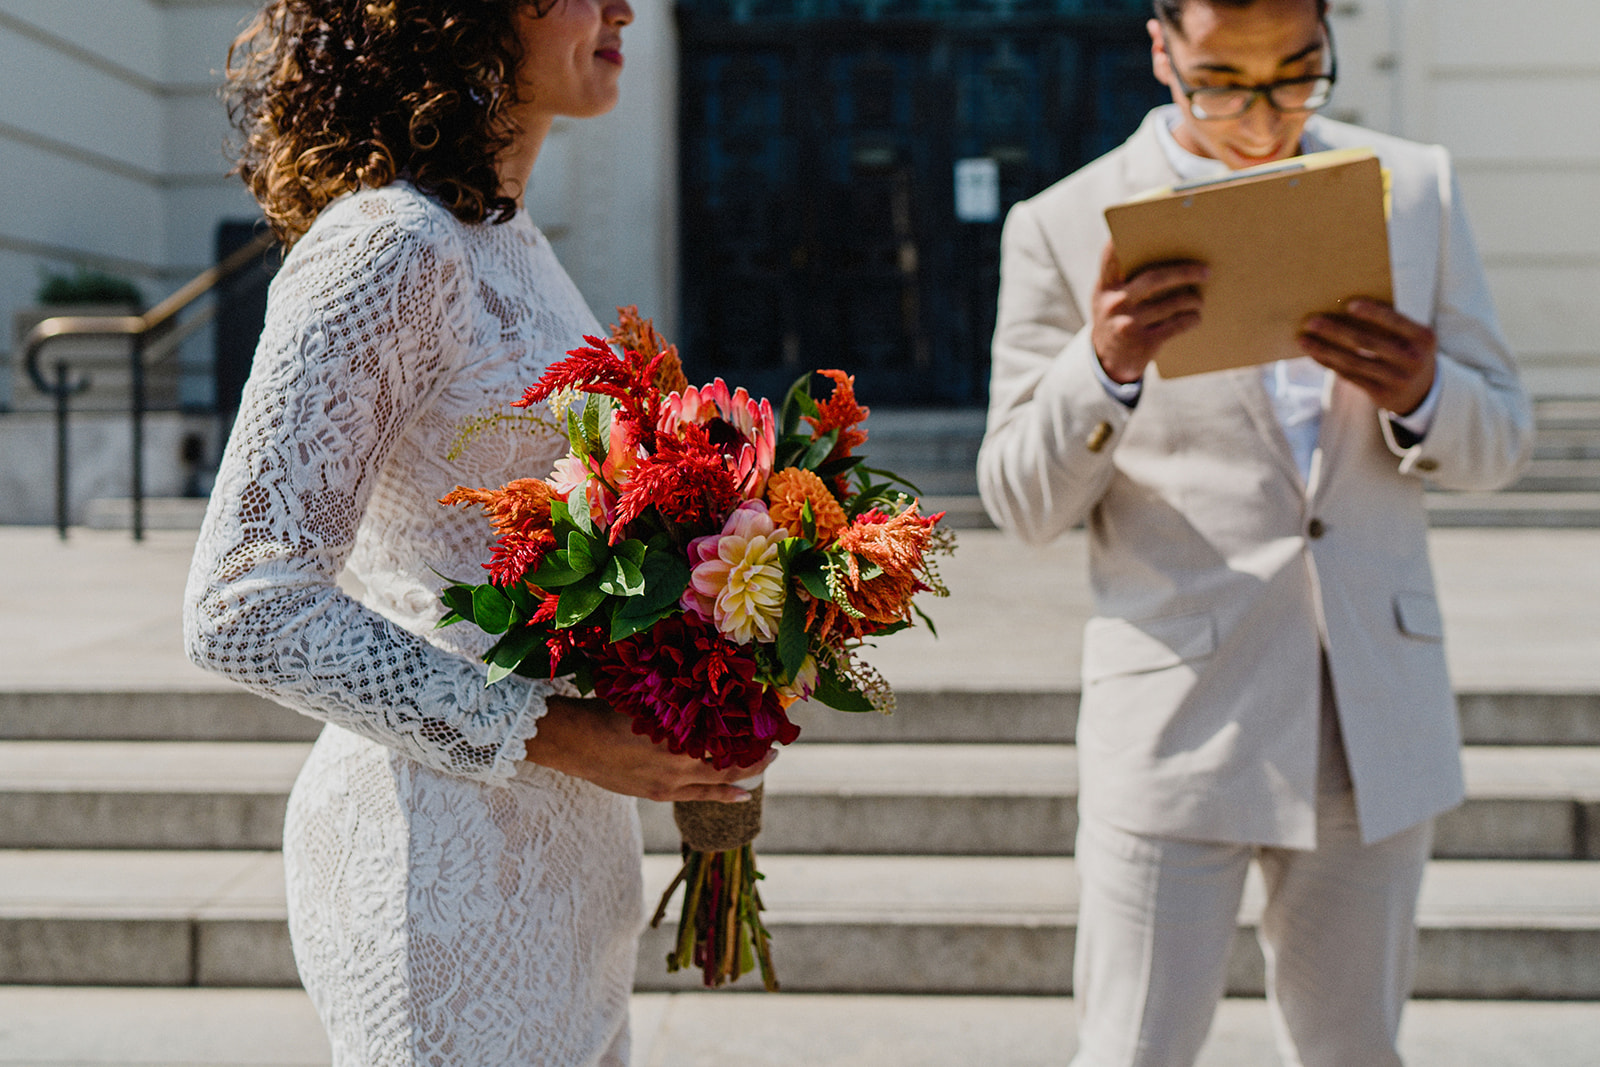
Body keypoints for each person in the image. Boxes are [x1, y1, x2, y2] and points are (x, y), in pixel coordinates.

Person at [184, 3, 771, 1063]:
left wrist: (696, 665)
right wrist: (557, 732)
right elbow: (242, 602)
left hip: (568, 864)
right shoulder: (386, 245)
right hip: (435, 866)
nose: (624, 6)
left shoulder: (517, 244)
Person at [976, 1, 1533, 1064]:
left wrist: (1423, 389)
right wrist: (1101, 368)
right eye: (1222, 81)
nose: (1262, 113)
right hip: (1176, 718)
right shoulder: (1063, 220)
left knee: (1356, 1050)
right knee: (1133, 1049)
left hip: (1371, 709)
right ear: (1161, 52)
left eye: (1295, 74)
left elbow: (1501, 437)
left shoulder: (1413, 187)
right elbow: (1016, 497)